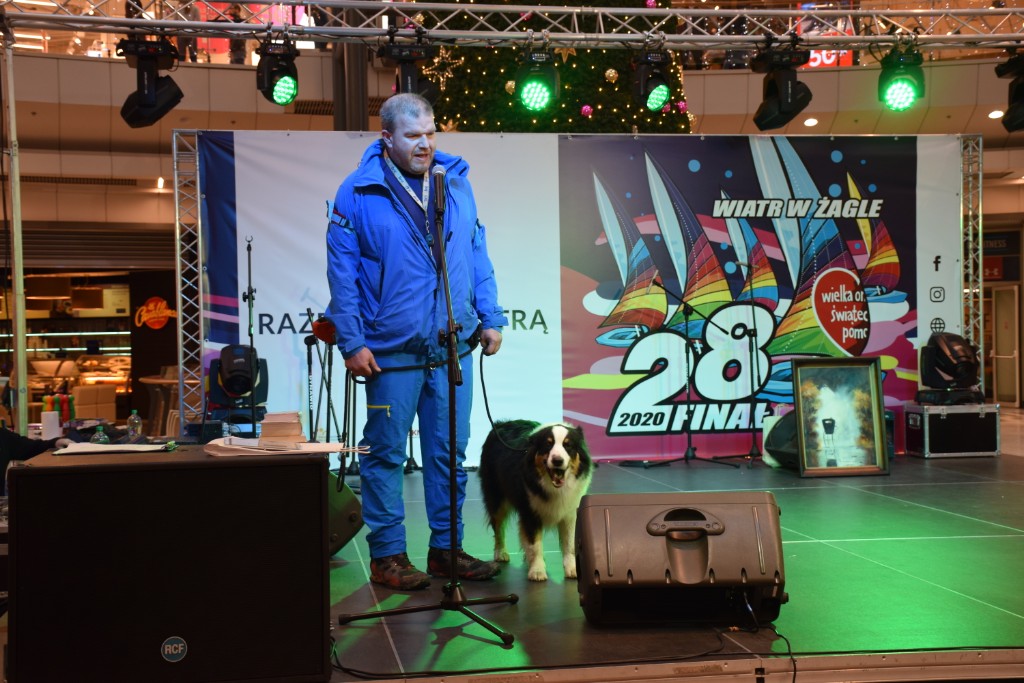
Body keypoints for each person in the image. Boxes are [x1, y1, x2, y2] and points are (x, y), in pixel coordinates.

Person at [325, 93, 508, 591]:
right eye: (413, 136)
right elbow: (341, 274)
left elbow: (477, 253)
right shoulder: (356, 191)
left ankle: (447, 550)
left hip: (452, 346)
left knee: (449, 454)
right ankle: (388, 556)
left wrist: (490, 316)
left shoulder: (457, 183)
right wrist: (351, 341)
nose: (425, 144)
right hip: (390, 351)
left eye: (430, 133)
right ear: (387, 138)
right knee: (385, 454)